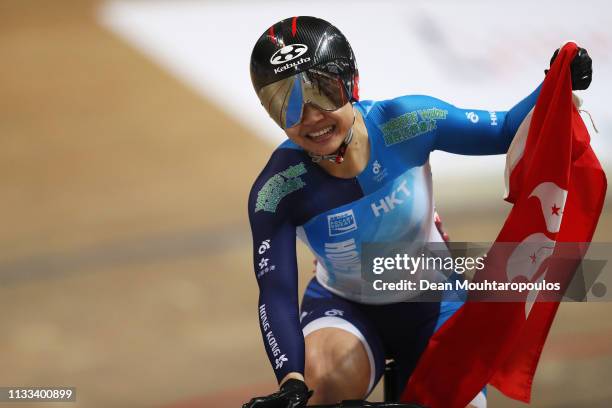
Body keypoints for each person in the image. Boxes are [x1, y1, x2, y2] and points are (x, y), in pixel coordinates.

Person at [243, 16, 592, 408]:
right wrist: (291, 379)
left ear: (351, 83)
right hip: (342, 307)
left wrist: (556, 79)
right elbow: (276, 292)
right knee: (319, 391)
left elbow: (506, 128)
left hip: (435, 301)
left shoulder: (406, 122)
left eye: (322, 91)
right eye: (285, 104)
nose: (310, 117)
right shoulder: (276, 190)